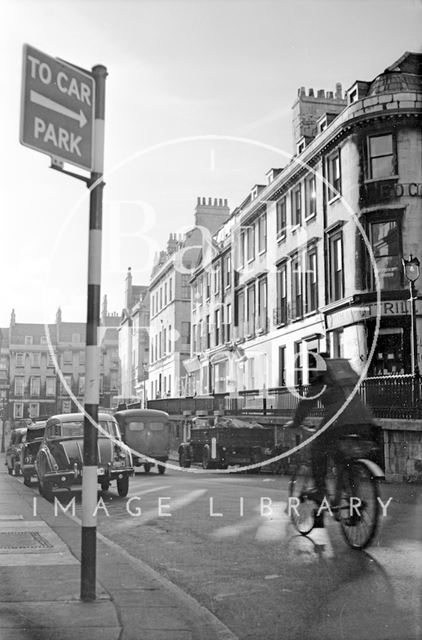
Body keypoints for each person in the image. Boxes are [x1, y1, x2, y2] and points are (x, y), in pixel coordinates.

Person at [288, 352, 380, 506]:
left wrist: (296, 422)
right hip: (364, 419)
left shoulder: (321, 379)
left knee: (317, 448)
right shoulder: (343, 375)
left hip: (338, 420)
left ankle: (319, 490)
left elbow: (305, 405)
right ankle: (352, 497)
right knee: (344, 458)